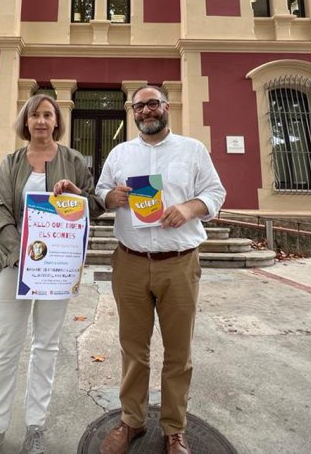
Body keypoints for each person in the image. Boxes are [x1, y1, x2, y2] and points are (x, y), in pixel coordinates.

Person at [0, 94, 105, 454]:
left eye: (48, 114)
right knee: (4, 347)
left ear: (57, 121)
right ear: (26, 122)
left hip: (55, 273)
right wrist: (24, 257)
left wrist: (77, 194)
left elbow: (94, 207)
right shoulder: (11, 162)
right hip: (11, 266)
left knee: (46, 346)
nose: (42, 121)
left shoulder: (73, 160)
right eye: (35, 115)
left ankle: (35, 428)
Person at [96, 86, 225, 454]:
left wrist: (189, 208)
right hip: (131, 264)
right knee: (133, 349)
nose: (147, 111)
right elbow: (101, 193)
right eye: (140, 106)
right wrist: (111, 197)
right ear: (132, 112)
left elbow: (216, 193)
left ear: (165, 108)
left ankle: (174, 428)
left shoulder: (192, 150)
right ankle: (131, 422)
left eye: (153, 104)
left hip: (179, 264)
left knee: (178, 352)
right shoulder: (121, 153)